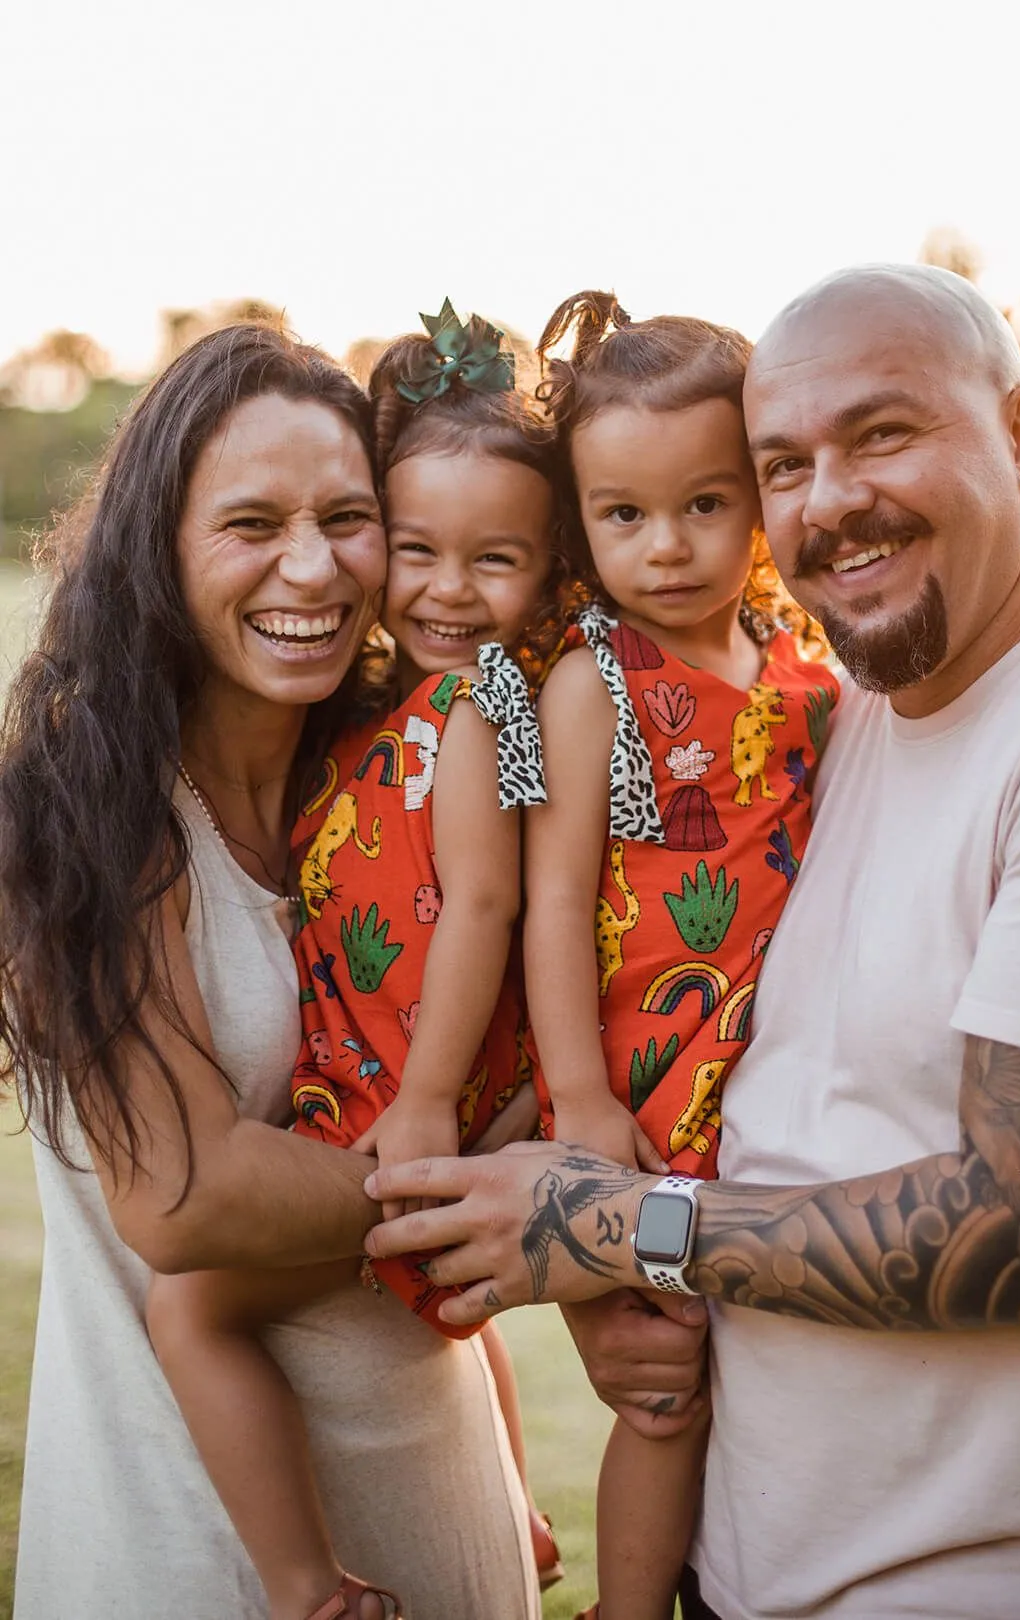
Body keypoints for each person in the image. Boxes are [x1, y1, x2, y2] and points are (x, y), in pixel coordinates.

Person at [362, 264, 1020, 1620]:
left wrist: (618, 1225)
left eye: (884, 433)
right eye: (785, 461)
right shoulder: (857, 704)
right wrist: (589, 1220)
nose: (831, 497)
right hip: (749, 1568)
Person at [0, 323, 540, 1620]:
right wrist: (488, 1181)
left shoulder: (397, 760)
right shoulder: (88, 805)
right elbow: (186, 1200)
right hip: (191, 1546)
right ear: (159, 547)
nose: (311, 566)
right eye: (251, 522)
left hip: (443, 1496)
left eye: (349, 518)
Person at [145, 302, 563, 1619]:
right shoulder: (378, 726)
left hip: (413, 1135)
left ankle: (313, 1581)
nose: (441, 586)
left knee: (195, 1310)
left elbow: (495, 909)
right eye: (420, 547)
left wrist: (444, 1120)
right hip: (384, 1113)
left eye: (491, 557)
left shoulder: (484, 710)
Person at [523, 291, 837, 1620]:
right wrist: (585, 1103)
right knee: (664, 1388)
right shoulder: (595, 681)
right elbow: (550, 904)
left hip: (777, 1091)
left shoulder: (808, 663)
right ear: (579, 521)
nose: (666, 547)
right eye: (624, 516)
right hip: (649, 1097)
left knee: (770, 1366)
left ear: (762, 494)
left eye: (705, 505)